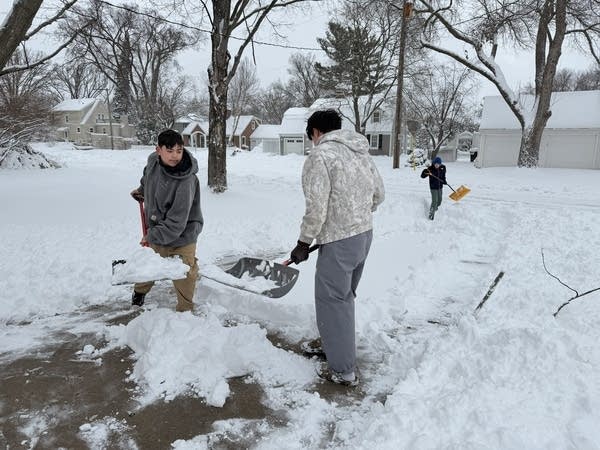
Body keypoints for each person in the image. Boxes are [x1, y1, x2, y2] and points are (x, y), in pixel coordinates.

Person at [290, 109, 385, 387]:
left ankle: (343, 371)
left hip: (339, 242)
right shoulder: (360, 152)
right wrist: (356, 216)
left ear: (315, 132)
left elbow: (317, 207)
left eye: (311, 136)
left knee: (333, 302)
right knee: (343, 299)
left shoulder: (320, 156)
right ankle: (333, 344)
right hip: (363, 236)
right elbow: (379, 194)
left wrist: (303, 243)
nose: (312, 141)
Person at [129, 129, 203, 312]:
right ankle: (139, 294)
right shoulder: (153, 161)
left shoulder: (186, 181)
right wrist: (142, 190)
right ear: (158, 150)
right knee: (148, 266)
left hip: (183, 235)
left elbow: (176, 223)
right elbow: (147, 178)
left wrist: (151, 236)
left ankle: (185, 310)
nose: (175, 156)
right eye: (169, 151)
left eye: (179, 151)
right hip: (158, 228)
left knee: (184, 273)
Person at [421, 156, 447, 220]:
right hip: (433, 187)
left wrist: (444, 181)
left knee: (439, 201)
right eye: (436, 164)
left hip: (440, 187)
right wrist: (424, 172)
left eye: (438, 164)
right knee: (434, 201)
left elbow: (443, 176)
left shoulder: (442, 168)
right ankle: (431, 214)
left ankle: (435, 208)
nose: (437, 165)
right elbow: (422, 176)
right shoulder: (430, 169)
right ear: (434, 163)